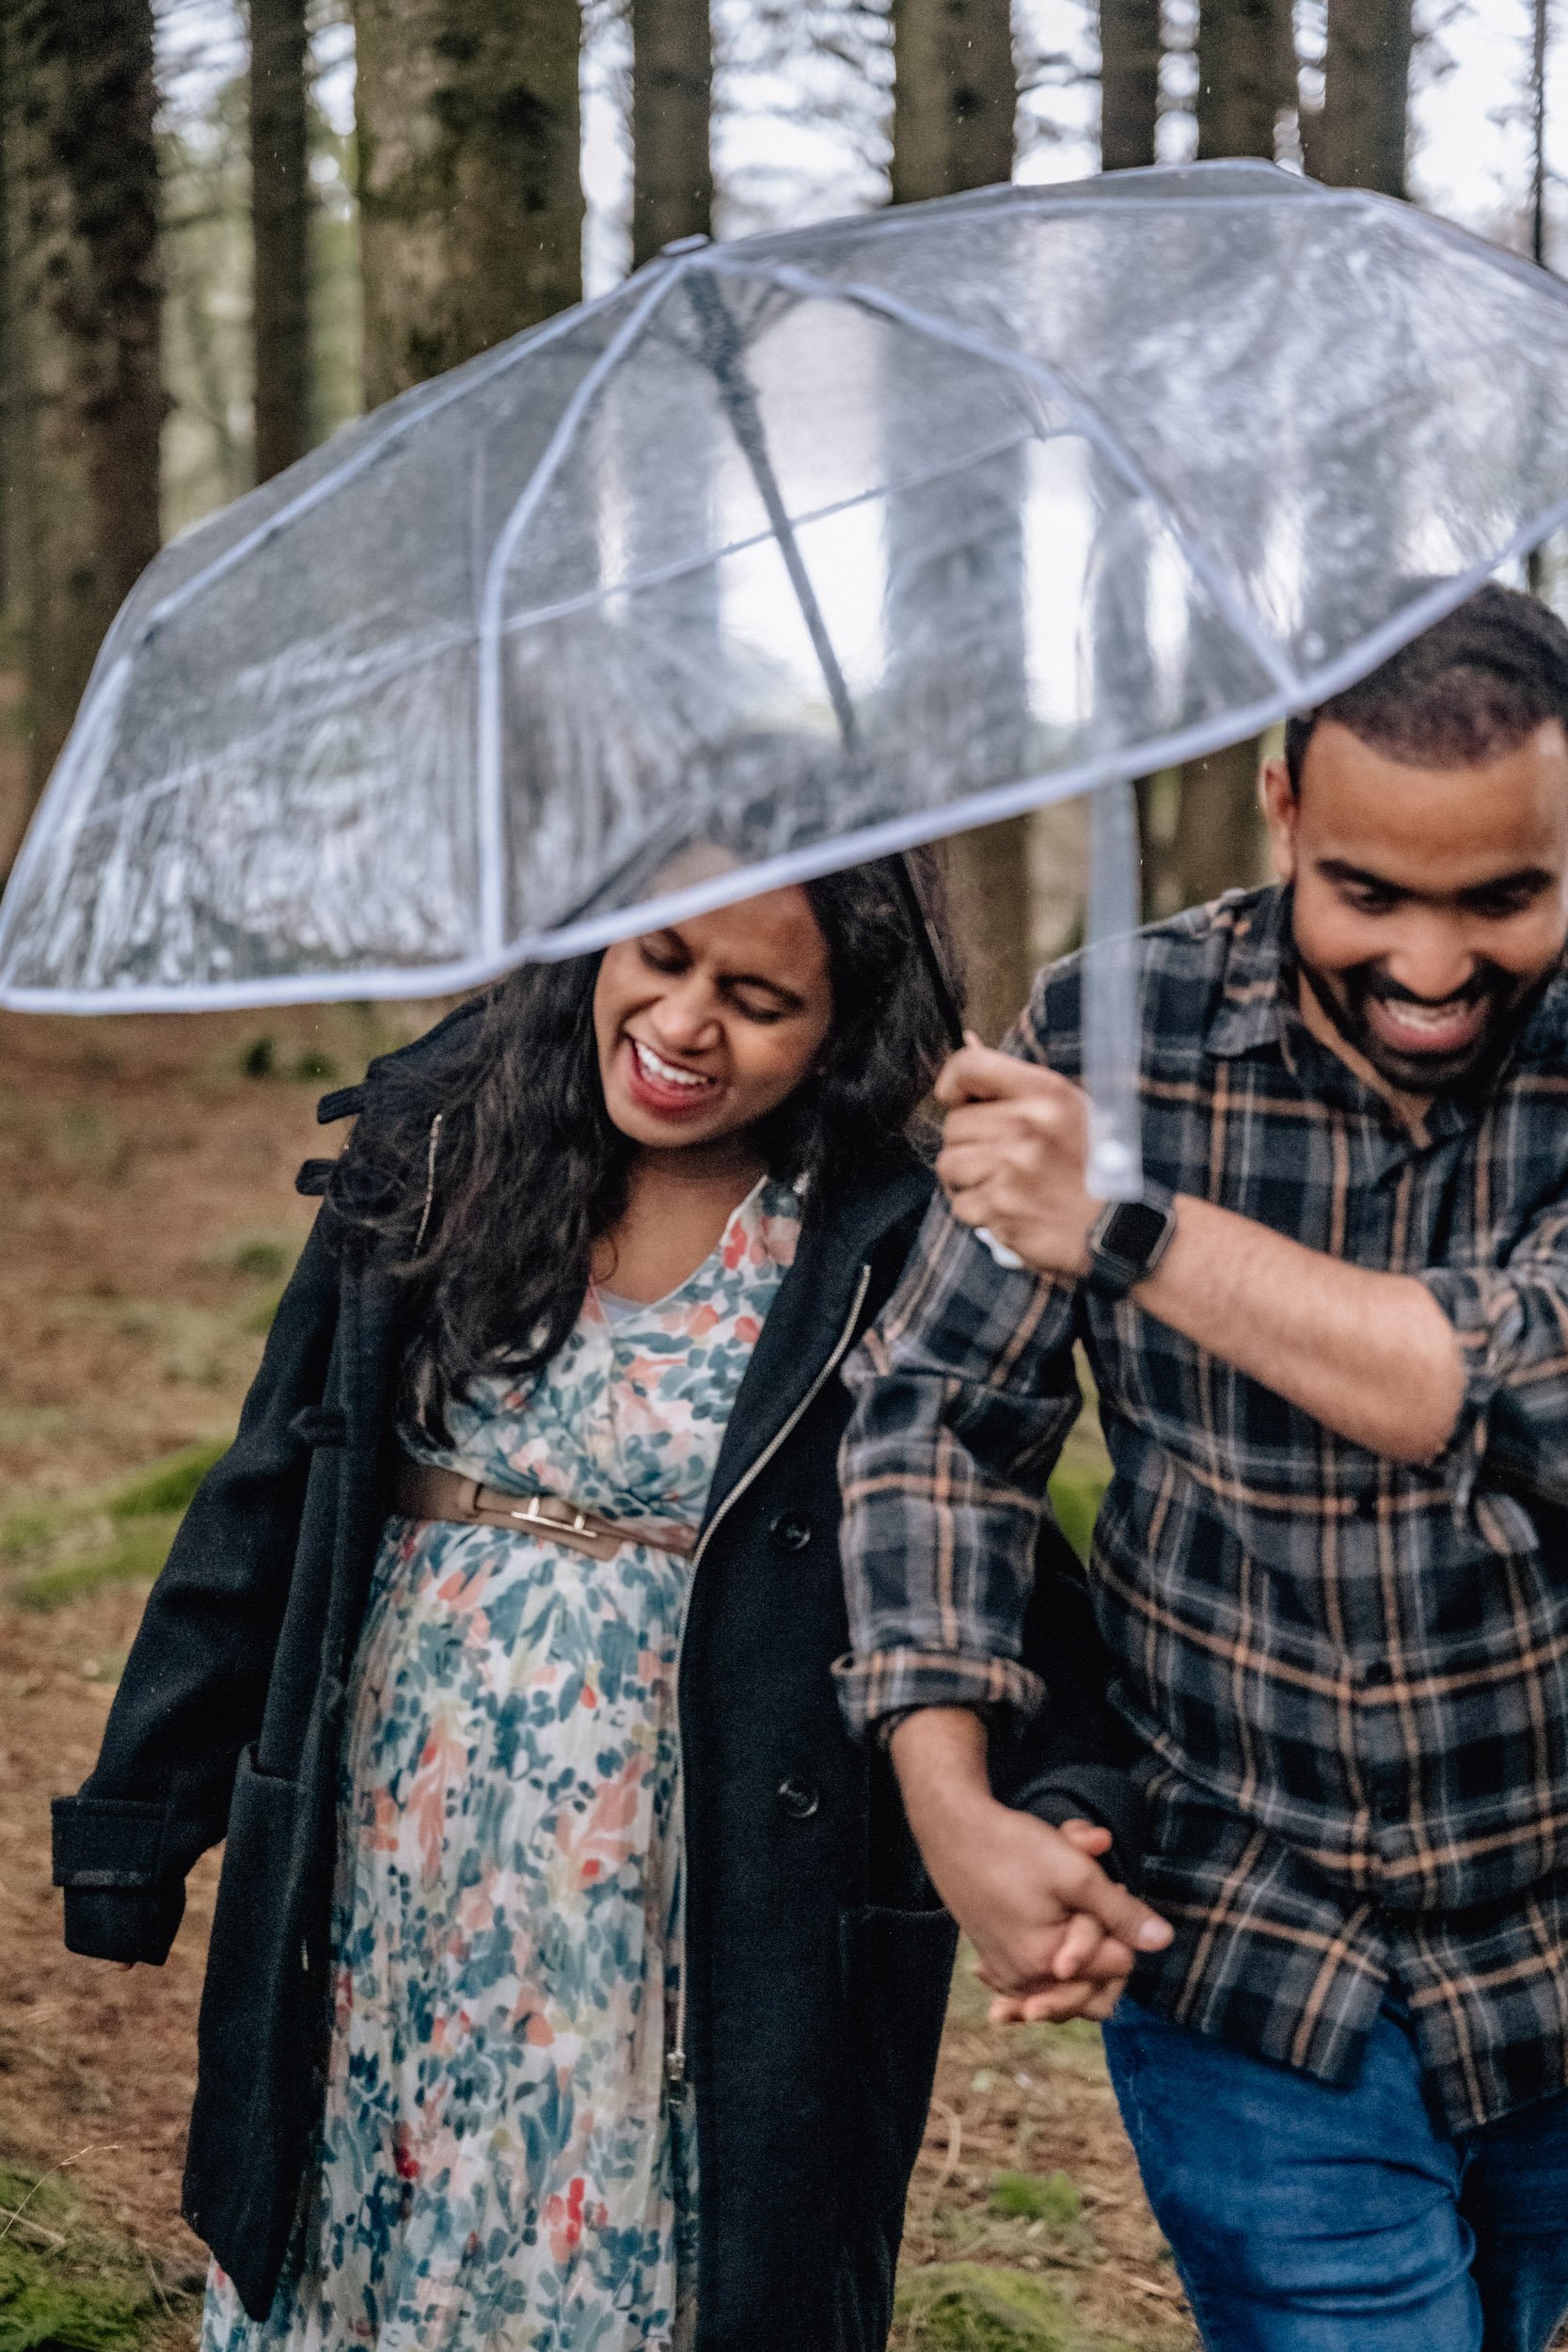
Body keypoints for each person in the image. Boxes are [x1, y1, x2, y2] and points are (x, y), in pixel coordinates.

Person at [51, 858, 1157, 2352]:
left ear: (842, 1031)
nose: (688, 1023)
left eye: (760, 1002)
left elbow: (981, 1536)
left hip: (686, 1885)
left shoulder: (882, 1240)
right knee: (367, 2195)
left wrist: (1074, 1790)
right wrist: (139, 1818)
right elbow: (272, 1485)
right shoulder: (443, 1142)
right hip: (393, 1847)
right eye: (663, 958)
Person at [836, 585, 1568, 2352]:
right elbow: (938, 1426)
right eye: (1372, 893)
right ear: (1282, 803)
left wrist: (1127, 1224)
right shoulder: (1111, 1033)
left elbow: (1476, 1382)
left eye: (1508, 898)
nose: (1432, 966)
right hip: (1249, 1947)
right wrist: (956, 1812)